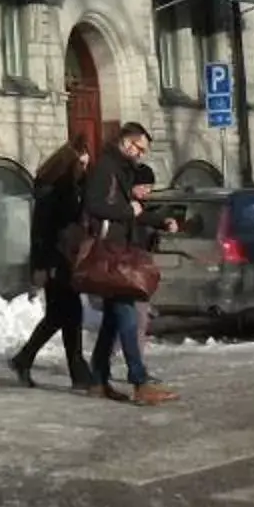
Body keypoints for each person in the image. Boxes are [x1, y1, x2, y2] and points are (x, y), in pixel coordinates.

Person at [81, 121, 178, 405]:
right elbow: (94, 205)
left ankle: (98, 379)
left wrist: (159, 220)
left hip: (118, 252)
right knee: (126, 313)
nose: (141, 154)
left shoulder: (120, 169)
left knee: (114, 318)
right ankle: (139, 381)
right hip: (110, 254)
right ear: (126, 142)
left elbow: (133, 213)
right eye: (139, 148)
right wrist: (126, 209)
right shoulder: (106, 168)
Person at [9, 137, 95, 390]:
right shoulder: (54, 190)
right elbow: (41, 232)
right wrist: (42, 265)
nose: (85, 164)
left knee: (62, 316)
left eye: (86, 159)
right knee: (67, 315)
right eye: (81, 160)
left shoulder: (74, 186)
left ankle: (28, 360)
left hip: (65, 260)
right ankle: (73, 371)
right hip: (56, 262)